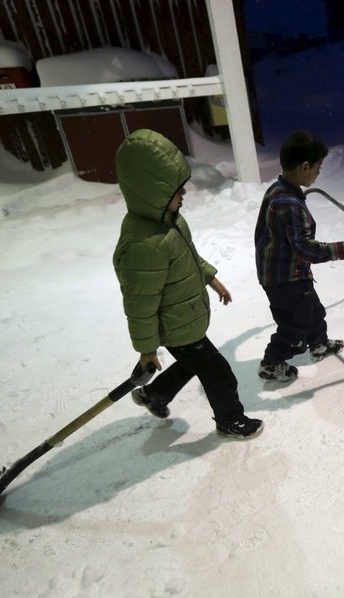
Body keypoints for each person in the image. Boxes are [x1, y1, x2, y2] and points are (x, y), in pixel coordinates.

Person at [113, 129, 262, 439]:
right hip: (176, 326)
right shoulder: (146, 245)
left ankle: (156, 394)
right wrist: (146, 350)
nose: (185, 194)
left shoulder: (171, 222)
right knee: (220, 374)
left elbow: (189, 258)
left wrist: (211, 278)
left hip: (185, 318)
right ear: (153, 193)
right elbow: (140, 304)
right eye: (178, 190)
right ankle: (230, 420)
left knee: (195, 362)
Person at [254, 130, 344, 382]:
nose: (319, 172)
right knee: (295, 326)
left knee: (313, 310)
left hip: (288, 273)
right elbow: (304, 248)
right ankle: (272, 363)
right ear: (304, 167)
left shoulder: (279, 190)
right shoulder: (289, 204)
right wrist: (340, 249)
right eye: (318, 167)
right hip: (284, 278)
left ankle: (319, 344)